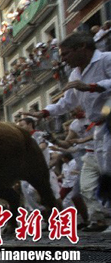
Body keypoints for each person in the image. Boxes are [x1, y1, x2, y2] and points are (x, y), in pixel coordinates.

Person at [26, 32, 111, 231]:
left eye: (66, 54)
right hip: (99, 128)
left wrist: (91, 87)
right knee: (105, 175)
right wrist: (44, 112)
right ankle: (105, 218)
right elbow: (67, 102)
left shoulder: (106, 59)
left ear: (82, 47)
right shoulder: (75, 74)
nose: (63, 59)